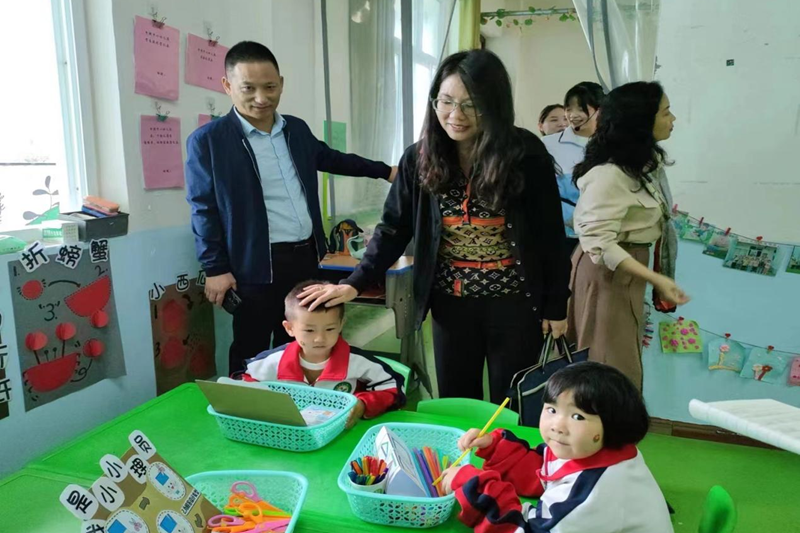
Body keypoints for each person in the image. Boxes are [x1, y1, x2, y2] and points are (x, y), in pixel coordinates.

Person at [296, 50, 570, 405]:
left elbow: (551, 236)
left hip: (515, 303)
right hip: (450, 305)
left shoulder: (525, 154)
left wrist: (556, 306)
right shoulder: (419, 157)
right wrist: (355, 283)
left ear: (494, 105)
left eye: (470, 105)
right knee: (456, 400)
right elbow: (393, 229)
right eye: (446, 101)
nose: (455, 116)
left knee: (512, 401)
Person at [185, 41, 397, 374]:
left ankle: (304, 402)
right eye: (249, 88)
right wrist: (215, 268)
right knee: (252, 350)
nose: (261, 98)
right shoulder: (209, 141)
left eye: (270, 87)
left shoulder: (295, 130)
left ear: (281, 83)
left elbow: (332, 158)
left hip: (305, 260)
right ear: (227, 86)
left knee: (306, 344)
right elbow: (203, 208)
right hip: (254, 267)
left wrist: (386, 171)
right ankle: (246, 403)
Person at [439, 362, 673, 533]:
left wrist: (476, 488)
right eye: (551, 410)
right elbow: (543, 469)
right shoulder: (589, 448)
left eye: (578, 417)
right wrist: (494, 448)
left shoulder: (594, 491)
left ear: (613, 424)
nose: (557, 426)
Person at [568, 81, 690, 391]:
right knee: (608, 364)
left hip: (627, 268)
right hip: (607, 271)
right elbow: (599, 244)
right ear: (641, 120)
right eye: (665, 112)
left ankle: (616, 422)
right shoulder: (610, 173)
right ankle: (604, 422)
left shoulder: (644, 165)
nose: (673, 119)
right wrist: (656, 279)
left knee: (621, 361)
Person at [242, 281, 405, 428]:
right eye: (309, 330)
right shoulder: (271, 361)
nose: (320, 338)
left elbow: (394, 388)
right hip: (286, 434)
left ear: (341, 325)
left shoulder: (357, 361)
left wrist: (363, 404)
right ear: (289, 328)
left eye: (330, 329)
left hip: (342, 434)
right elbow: (243, 386)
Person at [542, 82, 605, 252]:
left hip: (604, 235)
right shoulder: (548, 145)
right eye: (569, 109)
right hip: (562, 236)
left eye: (581, 109)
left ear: (600, 110)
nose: (573, 115)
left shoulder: (612, 145)